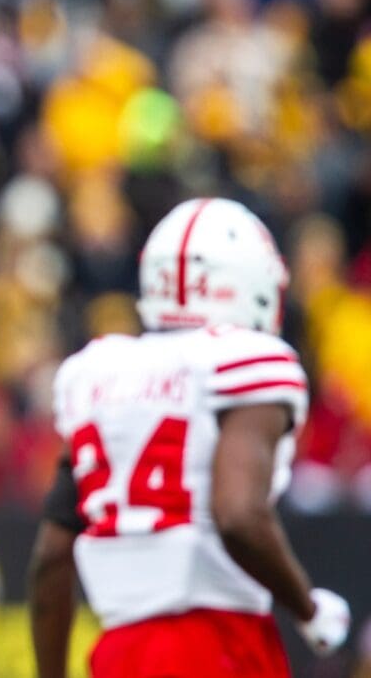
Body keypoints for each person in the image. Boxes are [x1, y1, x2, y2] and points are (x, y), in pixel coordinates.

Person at [28, 198, 351, 678]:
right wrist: (309, 609)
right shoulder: (249, 360)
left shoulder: (99, 373)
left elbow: (52, 557)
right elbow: (238, 516)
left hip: (119, 652)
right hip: (220, 644)